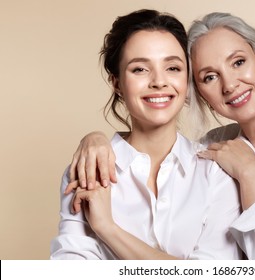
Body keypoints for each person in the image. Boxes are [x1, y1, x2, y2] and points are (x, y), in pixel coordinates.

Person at [67, 12, 255, 259]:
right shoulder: (212, 149)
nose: (230, 84)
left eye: (238, 62)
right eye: (209, 76)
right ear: (197, 92)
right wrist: (95, 139)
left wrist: (250, 176)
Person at [50, 9, 242, 260]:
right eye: (140, 69)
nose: (159, 82)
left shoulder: (215, 172)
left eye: (172, 67)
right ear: (117, 83)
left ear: (187, 81)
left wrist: (107, 228)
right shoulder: (88, 170)